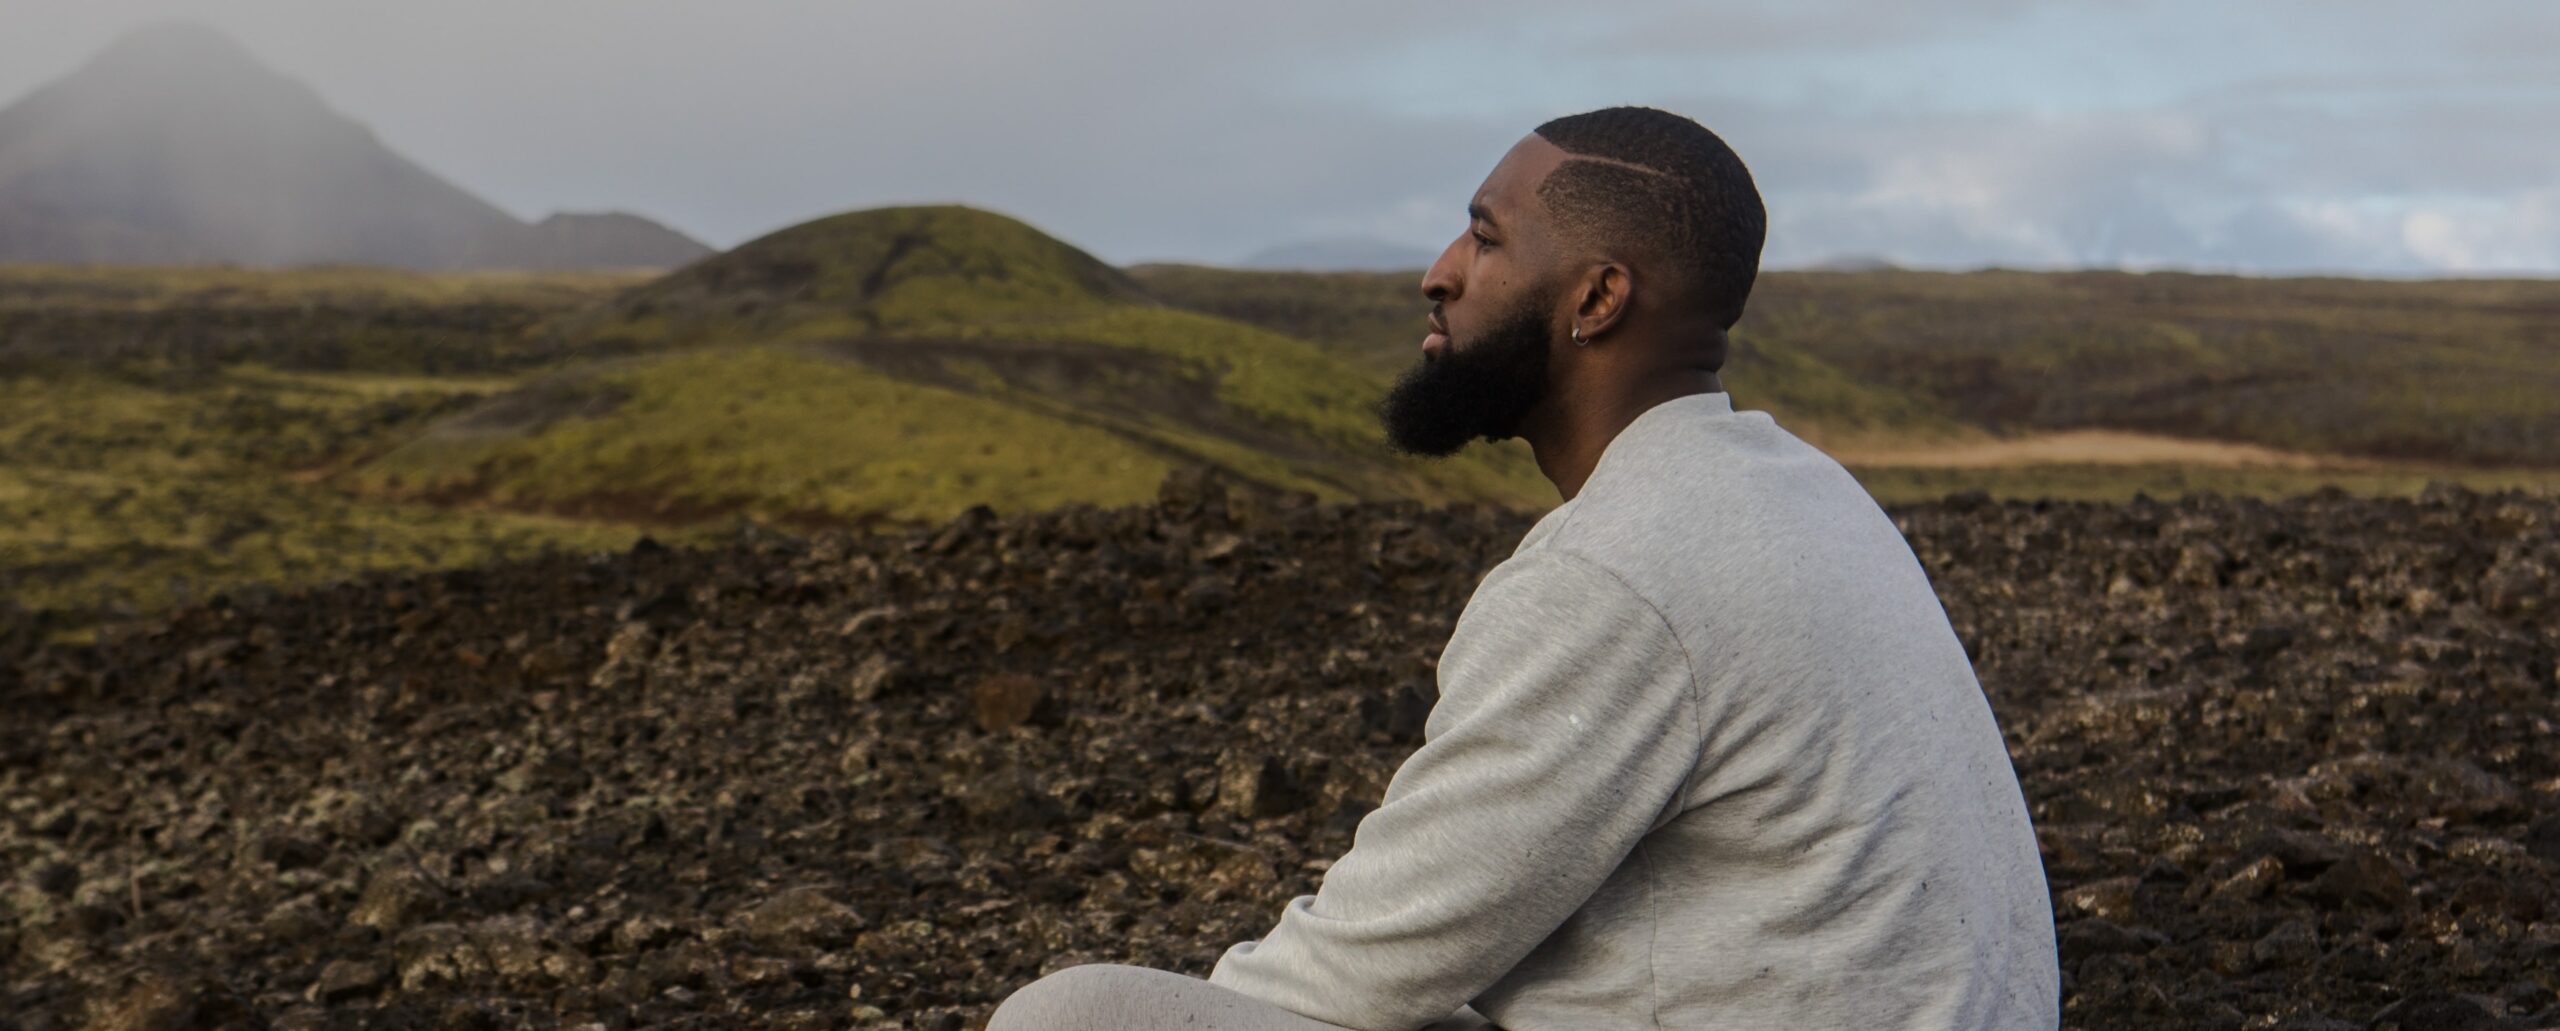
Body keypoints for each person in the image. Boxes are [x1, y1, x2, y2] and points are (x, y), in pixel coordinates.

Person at [987, 105, 2058, 1031]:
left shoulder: (1615, 574)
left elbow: (1360, 967)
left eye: (1485, 240)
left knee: (1069, 1015)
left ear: (1595, 300)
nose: (1438, 272)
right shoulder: (1805, 488)